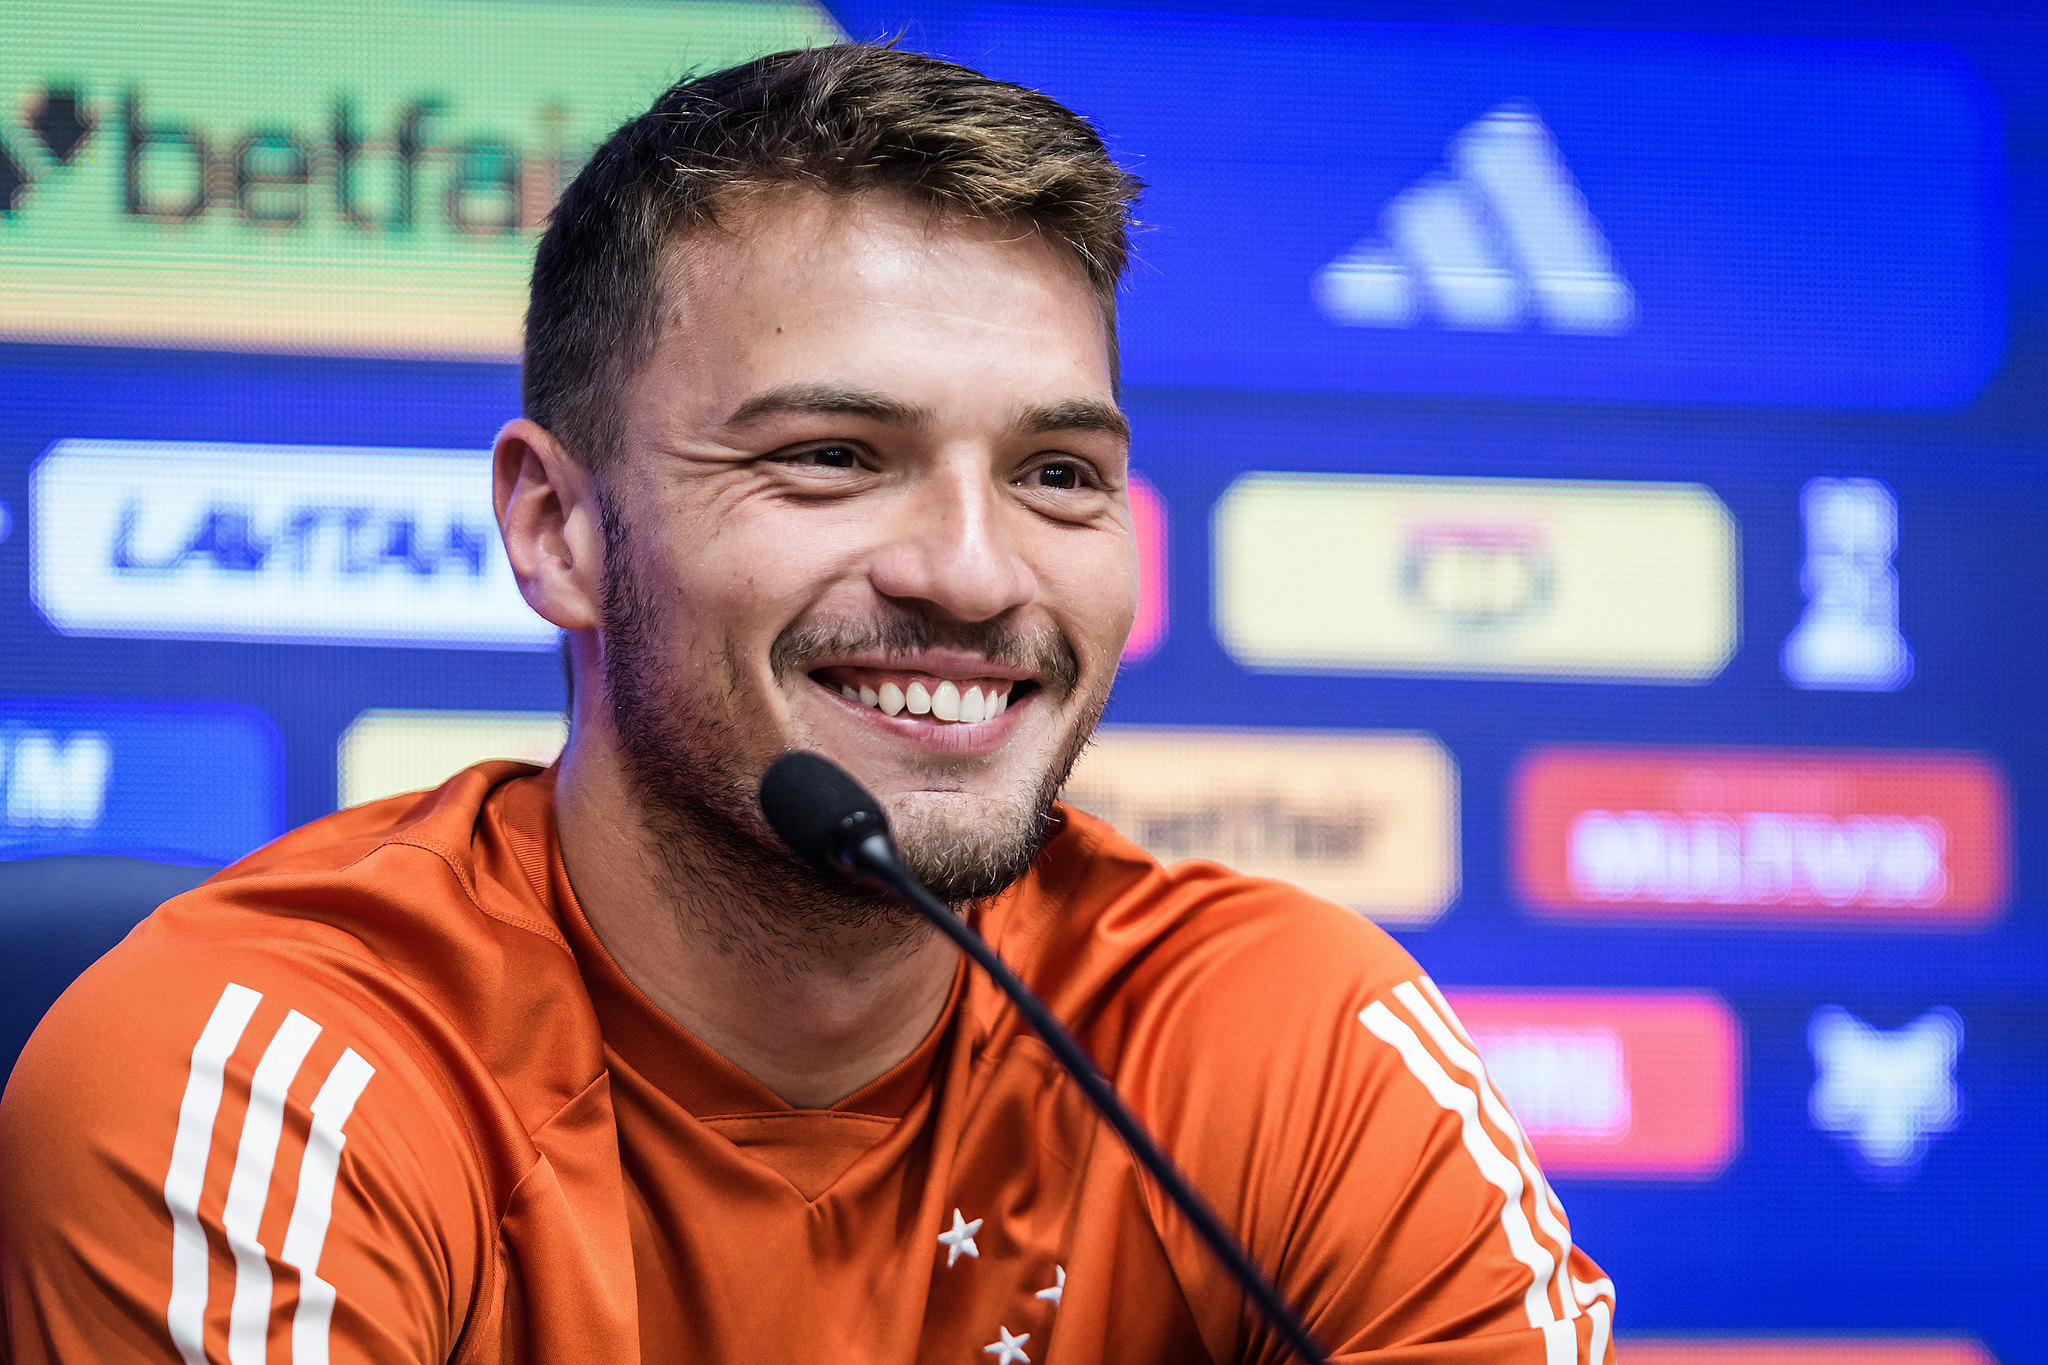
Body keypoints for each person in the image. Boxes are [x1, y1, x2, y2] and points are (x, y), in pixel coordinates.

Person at [0, 43, 1614, 1364]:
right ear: (556, 530)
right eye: (833, 456)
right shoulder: (282, 1076)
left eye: (1059, 474)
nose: (976, 574)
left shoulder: (1284, 1041)